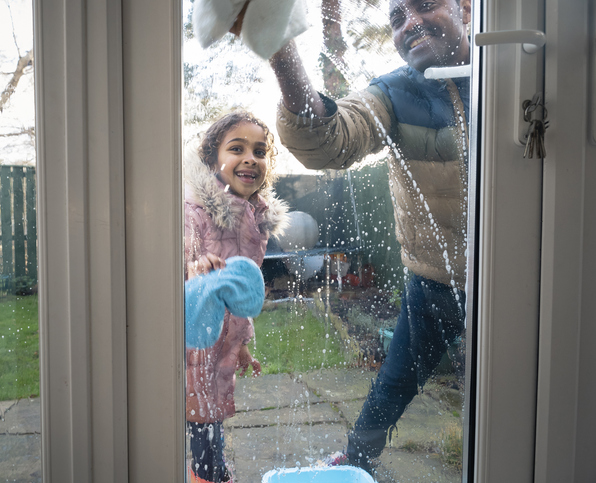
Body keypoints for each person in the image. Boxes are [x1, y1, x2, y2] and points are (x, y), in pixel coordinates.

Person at [263, 0, 472, 475]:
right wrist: (278, 44)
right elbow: (329, 138)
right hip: (434, 281)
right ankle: (357, 460)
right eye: (396, 17)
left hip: (521, 283)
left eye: (424, 5)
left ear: (465, 8)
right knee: (395, 382)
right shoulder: (393, 94)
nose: (410, 23)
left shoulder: (514, 79)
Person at [184, 111, 288, 483]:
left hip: (220, 344)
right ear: (213, 159)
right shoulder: (193, 211)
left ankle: (211, 472)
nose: (250, 158)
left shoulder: (254, 222)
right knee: (202, 423)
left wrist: (241, 344)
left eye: (259, 151)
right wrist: (195, 267)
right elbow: (179, 258)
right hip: (192, 341)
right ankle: (211, 476)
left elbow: (242, 296)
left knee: (209, 421)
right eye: (237, 148)